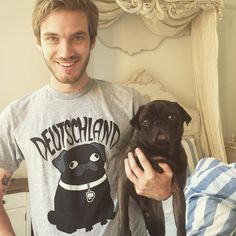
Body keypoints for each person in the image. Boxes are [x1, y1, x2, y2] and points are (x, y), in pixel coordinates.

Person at [0, 0, 173, 235]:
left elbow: (167, 174)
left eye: (77, 37)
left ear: (92, 40)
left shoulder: (130, 103)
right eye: (52, 38)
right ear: (38, 41)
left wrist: (165, 190)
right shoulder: (16, 116)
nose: (65, 52)